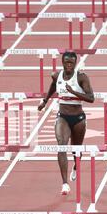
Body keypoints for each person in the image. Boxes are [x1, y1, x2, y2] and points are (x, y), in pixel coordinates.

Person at [38, 51, 95, 196]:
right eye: (66, 62)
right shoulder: (57, 75)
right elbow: (52, 86)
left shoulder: (81, 78)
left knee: (76, 149)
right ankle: (65, 184)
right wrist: (45, 101)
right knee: (61, 145)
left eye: (71, 62)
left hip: (78, 118)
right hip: (62, 116)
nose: (69, 65)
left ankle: (76, 166)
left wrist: (74, 92)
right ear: (62, 62)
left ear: (75, 63)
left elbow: (91, 98)